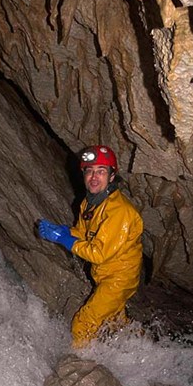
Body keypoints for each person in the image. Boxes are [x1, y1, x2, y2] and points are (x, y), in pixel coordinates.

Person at [38, 145, 143, 348]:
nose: (94, 177)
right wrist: (65, 232)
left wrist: (64, 240)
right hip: (106, 273)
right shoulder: (90, 203)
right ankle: (142, 346)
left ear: (112, 177)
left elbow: (98, 253)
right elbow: (84, 233)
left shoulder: (119, 212)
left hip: (119, 278)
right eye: (90, 171)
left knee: (84, 322)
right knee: (115, 322)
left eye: (101, 172)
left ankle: (80, 365)